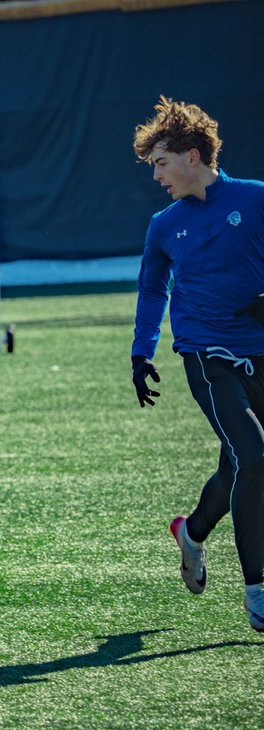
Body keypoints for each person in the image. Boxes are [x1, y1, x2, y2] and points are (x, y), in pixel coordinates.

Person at [130, 96, 264, 633]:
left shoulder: (254, 199)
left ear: (191, 155)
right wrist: (141, 352)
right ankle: (257, 590)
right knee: (255, 460)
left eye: (161, 163)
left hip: (259, 351)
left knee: (238, 467)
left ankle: (192, 533)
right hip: (206, 355)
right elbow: (151, 290)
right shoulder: (163, 226)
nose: (157, 175)